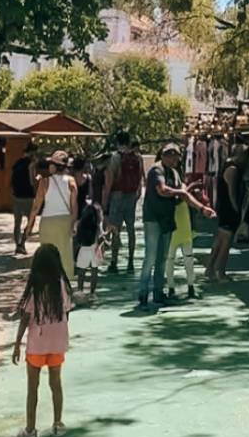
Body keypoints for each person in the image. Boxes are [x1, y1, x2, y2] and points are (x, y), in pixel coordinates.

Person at [138, 144, 215, 310]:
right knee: (150, 257)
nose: (175, 160)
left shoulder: (174, 173)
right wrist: (180, 193)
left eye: (177, 157)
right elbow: (162, 190)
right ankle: (143, 293)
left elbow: (184, 195)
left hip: (167, 220)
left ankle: (158, 293)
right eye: (172, 156)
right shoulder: (156, 170)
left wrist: (202, 208)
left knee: (162, 259)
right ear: (165, 156)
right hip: (153, 219)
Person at [10, 243, 73, 437]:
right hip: (57, 342)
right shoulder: (62, 284)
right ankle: (58, 423)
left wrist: (17, 343)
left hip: (37, 344)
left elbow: (25, 318)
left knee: (32, 388)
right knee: (56, 384)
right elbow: (67, 311)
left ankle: (30, 430)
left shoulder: (35, 287)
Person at [26, 151, 77, 280]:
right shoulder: (71, 182)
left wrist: (29, 226)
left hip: (48, 221)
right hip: (64, 220)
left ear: (54, 166)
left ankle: (48, 284)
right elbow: (74, 206)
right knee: (64, 254)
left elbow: (36, 206)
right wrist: (72, 224)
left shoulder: (45, 182)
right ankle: (64, 286)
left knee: (47, 255)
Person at [206, 143, 248, 285]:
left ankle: (211, 269)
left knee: (219, 240)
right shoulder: (233, 169)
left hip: (223, 207)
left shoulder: (227, 165)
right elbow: (231, 192)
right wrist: (236, 208)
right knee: (226, 241)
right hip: (228, 208)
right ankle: (220, 271)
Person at [103, 131, 144, 274]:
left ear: (118, 143)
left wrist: (105, 201)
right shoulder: (138, 158)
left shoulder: (115, 158)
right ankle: (131, 262)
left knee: (115, 230)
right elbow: (140, 179)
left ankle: (114, 262)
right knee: (131, 229)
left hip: (117, 195)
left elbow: (109, 182)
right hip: (131, 196)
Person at [165, 179, 211, 302]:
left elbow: (184, 196)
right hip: (175, 228)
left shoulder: (178, 186)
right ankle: (172, 287)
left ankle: (189, 287)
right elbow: (180, 197)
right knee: (174, 259)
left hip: (182, 228)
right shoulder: (168, 189)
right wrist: (191, 186)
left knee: (184, 259)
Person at [74, 190, 105, 300]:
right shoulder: (97, 226)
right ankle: (92, 293)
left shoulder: (80, 225)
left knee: (81, 271)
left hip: (83, 249)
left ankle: (80, 290)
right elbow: (101, 238)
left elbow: (76, 238)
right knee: (94, 271)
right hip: (95, 249)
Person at [10, 141, 37, 256]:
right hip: (28, 196)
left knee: (17, 223)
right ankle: (22, 243)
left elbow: (12, 181)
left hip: (17, 196)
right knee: (31, 221)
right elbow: (32, 181)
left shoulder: (16, 163)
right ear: (32, 152)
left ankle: (17, 245)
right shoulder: (31, 164)